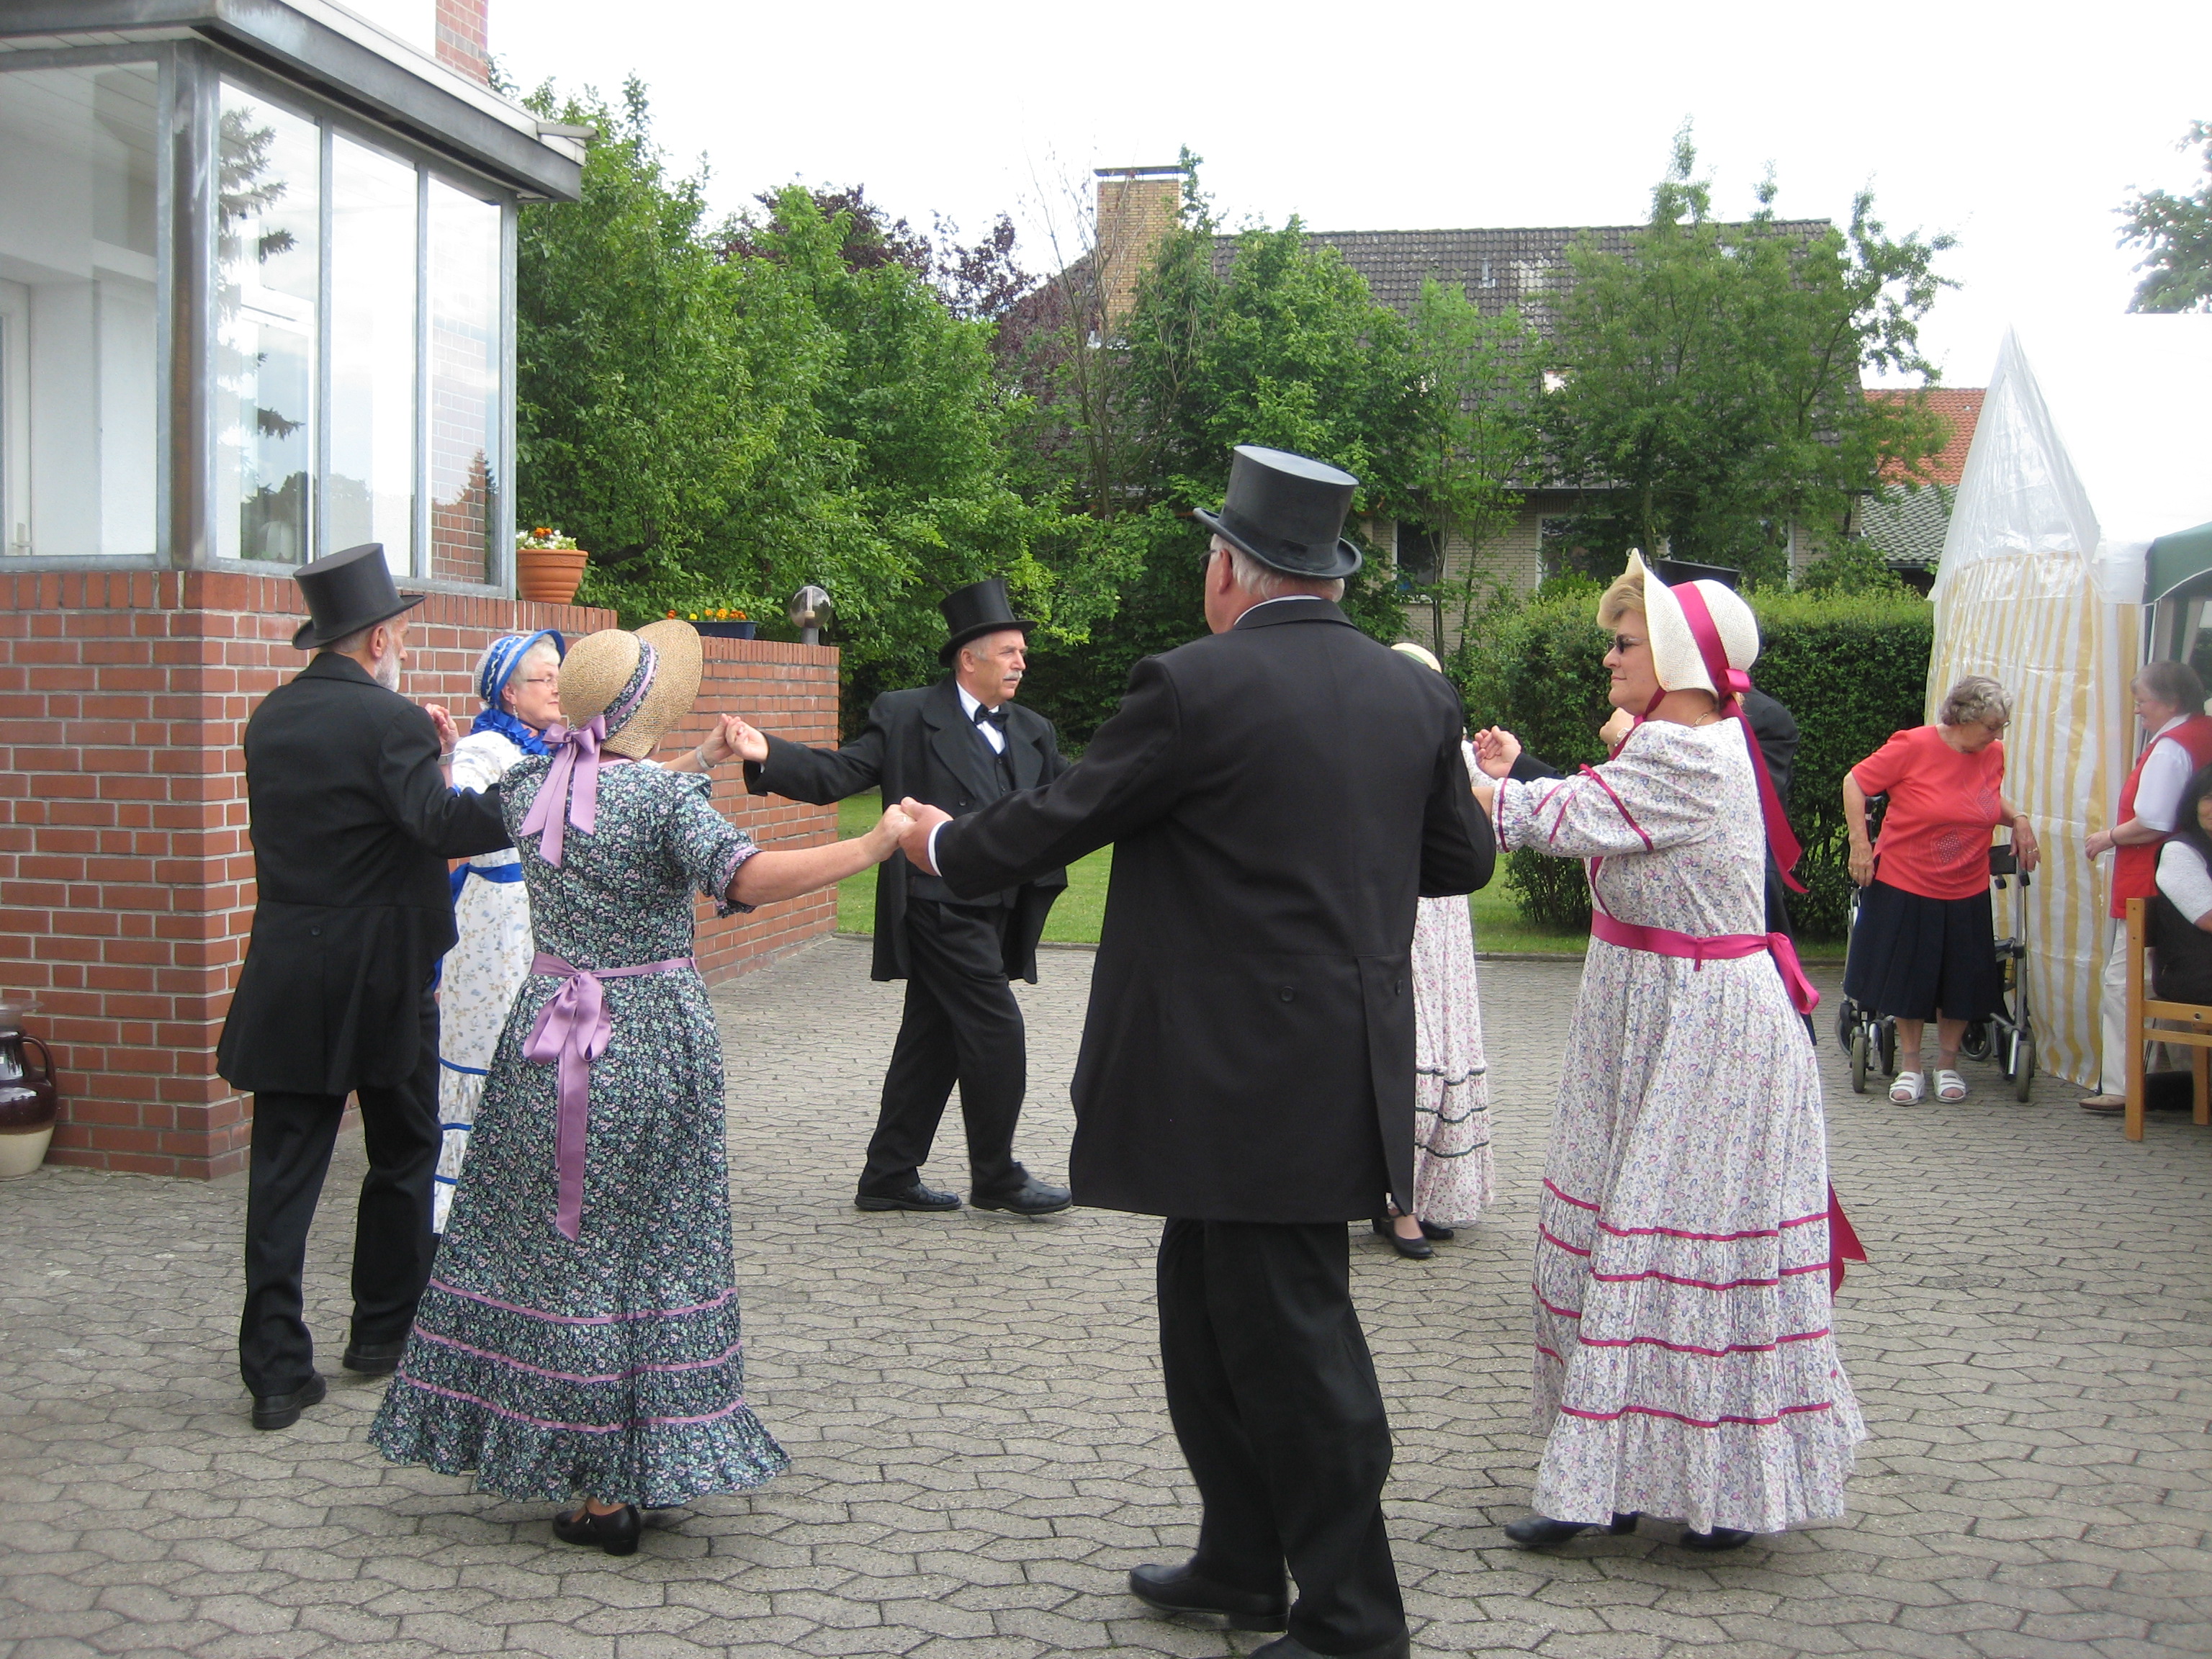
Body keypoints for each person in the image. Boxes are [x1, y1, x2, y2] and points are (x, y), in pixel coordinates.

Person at [899, 445, 1494, 1659]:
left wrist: (943, 846)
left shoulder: (1191, 685)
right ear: (1321, 569)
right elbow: (1461, 862)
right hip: (1329, 1063)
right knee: (1206, 1312)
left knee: (1295, 1339)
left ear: (1232, 567)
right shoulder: (1411, 692)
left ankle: (1352, 1617)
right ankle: (1240, 1558)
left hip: (1232, 1067)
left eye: (1205, 554)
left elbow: (1063, 816)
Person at [372, 621, 916, 1555]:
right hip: (650, 1042)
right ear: (646, 715)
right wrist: (874, 846)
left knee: (564, 1249)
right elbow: (743, 873)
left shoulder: (531, 784)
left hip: (545, 1038)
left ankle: (591, 1469)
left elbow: (595, 804)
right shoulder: (656, 803)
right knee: (652, 1251)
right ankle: (610, 1483)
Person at [1471, 552, 1863, 1552]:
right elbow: (1588, 811)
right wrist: (1510, 779)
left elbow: (1558, 821)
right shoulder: (1682, 744)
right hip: (1653, 1010)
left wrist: (1468, 776)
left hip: (1702, 1028)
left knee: (1667, 1251)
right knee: (1620, 1241)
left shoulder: (1687, 753)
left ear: (1681, 654)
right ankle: (1619, 1476)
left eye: (1625, 640)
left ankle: (1698, 1492)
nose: (1609, 656)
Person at [217, 544, 511, 1431]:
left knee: (284, 1174)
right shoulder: (390, 724)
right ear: (380, 638)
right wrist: (526, 786)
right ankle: (384, 1331)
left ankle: (274, 1371)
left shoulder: (268, 718)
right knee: (404, 1150)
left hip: (289, 969)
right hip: (384, 972)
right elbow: (438, 825)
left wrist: (431, 757)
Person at [727, 578, 1073, 1216]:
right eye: (1009, 652)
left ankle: (889, 1173)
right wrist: (766, 752)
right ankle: (997, 1175)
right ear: (968, 659)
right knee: (997, 1031)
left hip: (1000, 909)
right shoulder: (908, 713)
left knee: (932, 1038)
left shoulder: (1033, 730)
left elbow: (1067, 807)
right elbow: (839, 774)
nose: (1021, 662)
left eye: (1023, 652)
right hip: (936, 904)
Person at [434, 632, 754, 1231]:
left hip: (549, 926)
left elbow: (616, 793)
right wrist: (448, 759)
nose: (557, 688)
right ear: (509, 690)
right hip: (499, 926)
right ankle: (465, 1207)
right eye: (544, 678)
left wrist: (704, 757)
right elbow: (460, 815)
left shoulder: (556, 759)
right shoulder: (494, 752)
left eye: (561, 675)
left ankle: (544, 1204)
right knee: (501, 1058)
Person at [1842, 676, 2041, 1104]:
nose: (1998, 735)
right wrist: (1861, 843)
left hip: (1966, 882)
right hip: (1906, 879)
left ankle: (1947, 1065)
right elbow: (1855, 782)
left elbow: (1986, 800)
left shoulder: (1992, 754)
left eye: (2002, 727)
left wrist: (2019, 818)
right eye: (1992, 725)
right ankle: (1911, 1066)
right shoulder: (1913, 746)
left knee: (1960, 977)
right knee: (1911, 973)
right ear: (1964, 718)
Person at [1374, 642, 1495, 1262]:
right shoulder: (1368, 750)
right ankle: (1396, 1201)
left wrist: (1495, 779)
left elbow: (1481, 838)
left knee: (1449, 1051)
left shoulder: (1460, 755)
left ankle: (1423, 1192)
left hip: (1447, 924)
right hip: (1399, 915)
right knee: (1411, 1051)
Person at [2079, 660, 2212, 1114]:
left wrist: (2107, 837)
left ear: (2171, 702)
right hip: (2193, 874)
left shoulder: (2171, 746)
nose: (2138, 712)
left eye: (2143, 702)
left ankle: (2123, 1085)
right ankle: (2190, 1085)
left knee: (2125, 981)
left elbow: (2154, 819)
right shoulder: (2205, 731)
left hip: (2150, 876)